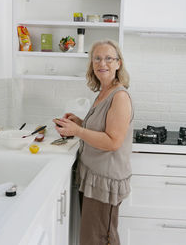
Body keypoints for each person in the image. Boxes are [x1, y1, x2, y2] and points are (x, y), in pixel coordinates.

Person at [53, 39, 133, 245]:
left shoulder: (120, 96)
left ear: (118, 63)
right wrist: (78, 123)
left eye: (108, 58)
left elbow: (113, 141)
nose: (102, 63)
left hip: (105, 180)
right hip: (93, 175)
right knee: (91, 237)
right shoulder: (103, 93)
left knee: (100, 239)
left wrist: (78, 130)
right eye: (97, 58)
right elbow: (101, 130)